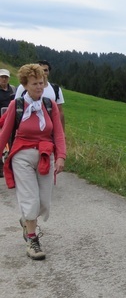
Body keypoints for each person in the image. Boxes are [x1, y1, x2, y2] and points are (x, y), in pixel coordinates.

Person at [0, 63, 66, 260]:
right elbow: (4, 133)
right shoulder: (17, 105)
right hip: (22, 155)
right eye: (35, 83)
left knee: (44, 203)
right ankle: (32, 240)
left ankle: (26, 220)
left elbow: (58, 134)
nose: (39, 86)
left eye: (42, 83)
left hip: (46, 155)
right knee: (30, 200)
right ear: (25, 85)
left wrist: (61, 156)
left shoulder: (49, 105)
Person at [16, 60, 65, 129]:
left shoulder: (55, 89)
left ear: (49, 72)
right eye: (41, 70)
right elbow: (16, 107)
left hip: (49, 129)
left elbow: (60, 112)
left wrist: (62, 131)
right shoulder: (23, 87)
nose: (43, 72)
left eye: (45, 70)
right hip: (26, 127)